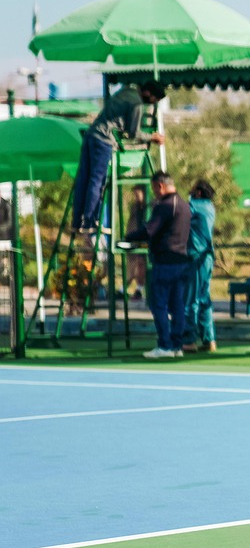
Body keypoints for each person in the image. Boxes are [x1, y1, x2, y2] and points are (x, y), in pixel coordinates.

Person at [71, 80, 165, 235]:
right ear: (148, 93)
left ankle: (77, 222)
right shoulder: (137, 104)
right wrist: (152, 137)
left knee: (84, 179)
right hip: (104, 140)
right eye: (154, 99)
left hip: (91, 136)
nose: (152, 103)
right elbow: (134, 133)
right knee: (97, 181)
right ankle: (90, 221)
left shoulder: (126, 91)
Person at [124, 171, 191, 360]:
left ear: (160, 186)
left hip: (165, 263)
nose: (154, 193)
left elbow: (149, 231)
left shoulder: (165, 205)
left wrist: (127, 237)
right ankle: (176, 345)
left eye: (154, 189)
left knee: (158, 304)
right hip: (180, 262)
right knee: (177, 305)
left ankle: (165, 345)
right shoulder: (184, 206)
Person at [182, 179, 217, 353]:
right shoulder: (210, 207)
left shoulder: (194, 205)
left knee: (191, 299)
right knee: (204, 298)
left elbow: (179, 213)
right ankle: (209, 339)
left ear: (198, 192)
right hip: (208, 257)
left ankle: (189, 340)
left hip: (196, 256)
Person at [124, 184, 148, 300]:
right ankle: (126, 288)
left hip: (143, 240)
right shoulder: (134, 207)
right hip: (133, 238)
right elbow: (131, 223)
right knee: (133, 263)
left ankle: (139, 288)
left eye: (138, 193)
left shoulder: (148, 207)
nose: (136, 196)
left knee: (141, 264)